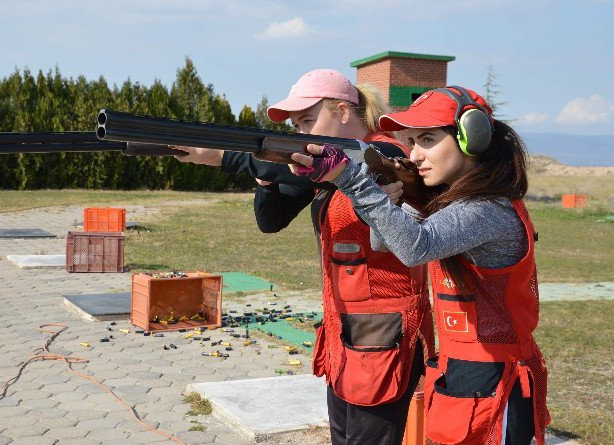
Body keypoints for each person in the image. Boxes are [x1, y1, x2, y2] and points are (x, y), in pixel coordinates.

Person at [175, 69, 435, 445]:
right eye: (297, 126)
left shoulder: (387, 155)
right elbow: (271, 220)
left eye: (308, 121)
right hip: (344, 327)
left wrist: (218, 157)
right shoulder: (324, 170)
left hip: (385, 328)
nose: (302, 133)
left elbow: (349, 176)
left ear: (343, 111)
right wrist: (265, 175)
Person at [290, 86, 550, 445]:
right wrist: (390, 202)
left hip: (497, 376)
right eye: (410, 141)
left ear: (472, 138)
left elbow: (415, 247)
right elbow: (390, 246)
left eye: (427, 139)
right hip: (463, 368)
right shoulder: (452, 204)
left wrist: (352, 180)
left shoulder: (488, 208)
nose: (414, 155)